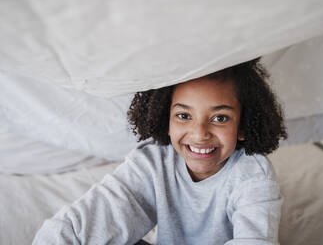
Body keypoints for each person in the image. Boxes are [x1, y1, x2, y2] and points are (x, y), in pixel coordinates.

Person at [33, 58, 288, 245]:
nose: (199, 133)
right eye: (184, 115)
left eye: (220, 118)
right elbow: (95, 216)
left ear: (243, 125)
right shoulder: (152, 162)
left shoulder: (253, 176)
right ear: (165, 120)